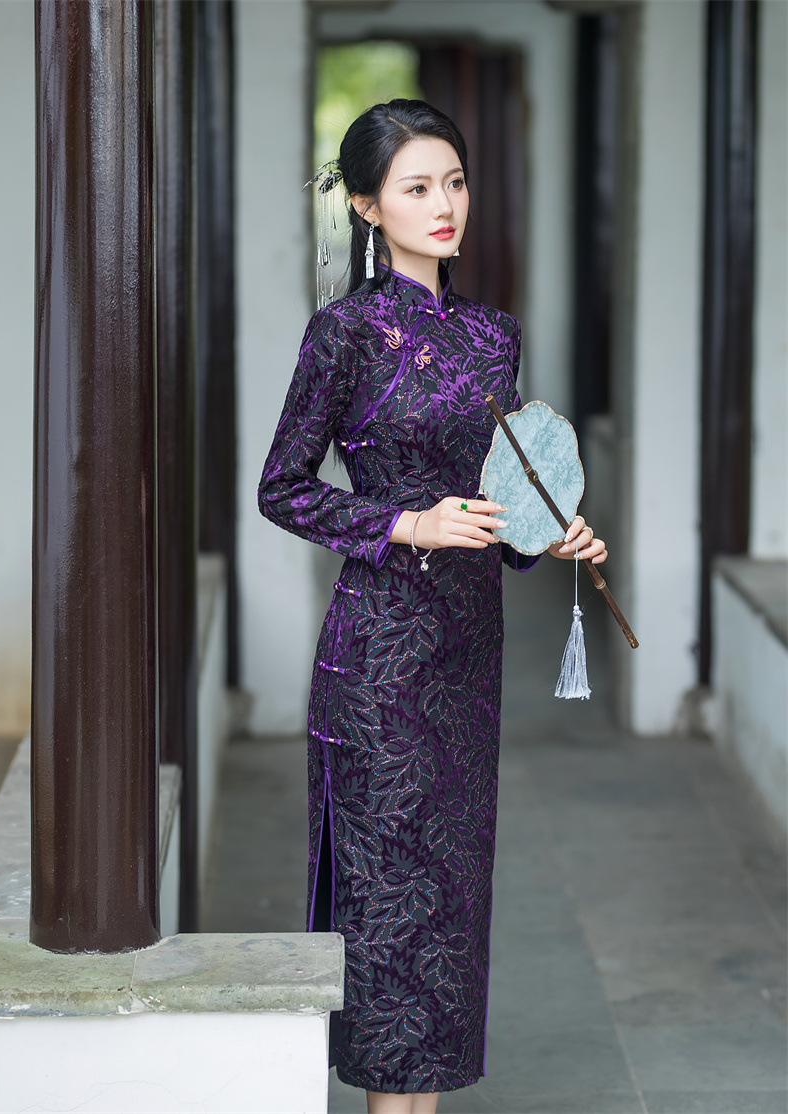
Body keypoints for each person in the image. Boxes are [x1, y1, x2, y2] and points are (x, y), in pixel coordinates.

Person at [257, 99, 608, 1113]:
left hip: (465, 653)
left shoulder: (494, 337)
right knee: (388, 912)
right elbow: (282, 489)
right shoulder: (343, 336)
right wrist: (407, 522)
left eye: (452, 181)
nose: (443, 203)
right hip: (377, 657)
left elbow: (503, 503)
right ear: (369, 206)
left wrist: (552, 534)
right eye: (416, 187)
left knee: (449, 905)